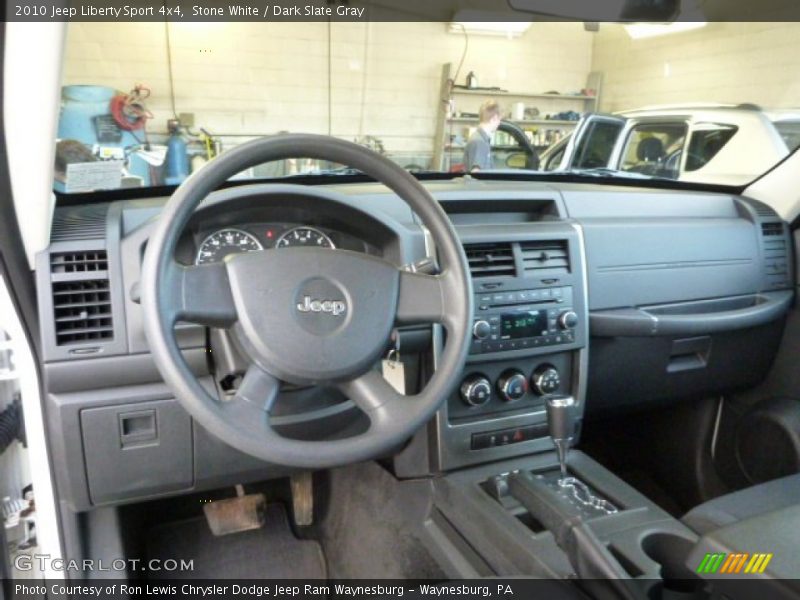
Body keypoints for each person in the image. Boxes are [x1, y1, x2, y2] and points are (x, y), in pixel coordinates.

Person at [463, 100, 502, 171]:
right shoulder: (479, 141)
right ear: (494, 118)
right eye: (499, 119)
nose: (499, 123)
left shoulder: (481, 139)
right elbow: (475, 174)